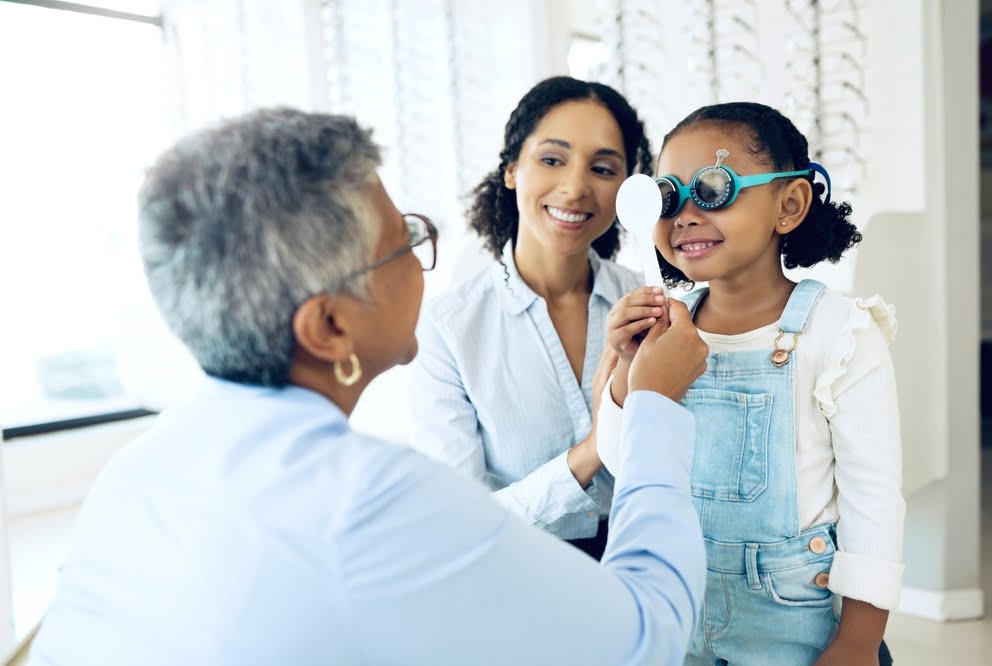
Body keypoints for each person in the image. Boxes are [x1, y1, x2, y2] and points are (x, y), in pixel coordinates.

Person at [27, 108, 710, 666]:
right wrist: (649, 408)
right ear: (327, 326)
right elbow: (647, 636)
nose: (422, 262)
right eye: (403, 242)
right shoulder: (375, 501)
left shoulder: (137, 469)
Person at [596, 102, 904, 665]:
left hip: (794, 628)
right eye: (668, 196)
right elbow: (624, 460)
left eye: (713, 187)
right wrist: (626, 371)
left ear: (788, 205)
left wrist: (858, 642)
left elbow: (874, 500)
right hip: (680, 607)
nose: (684, 214)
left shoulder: (840, 334)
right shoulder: (667, 331)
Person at [409, 76, 652, 559]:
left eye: (603, 168)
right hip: (517, 577)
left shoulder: (653, 304)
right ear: (512, 169)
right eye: (552, 159)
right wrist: (589, 453)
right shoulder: (449, 327)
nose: (576, 187)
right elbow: (459, 524)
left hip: (650, 567)